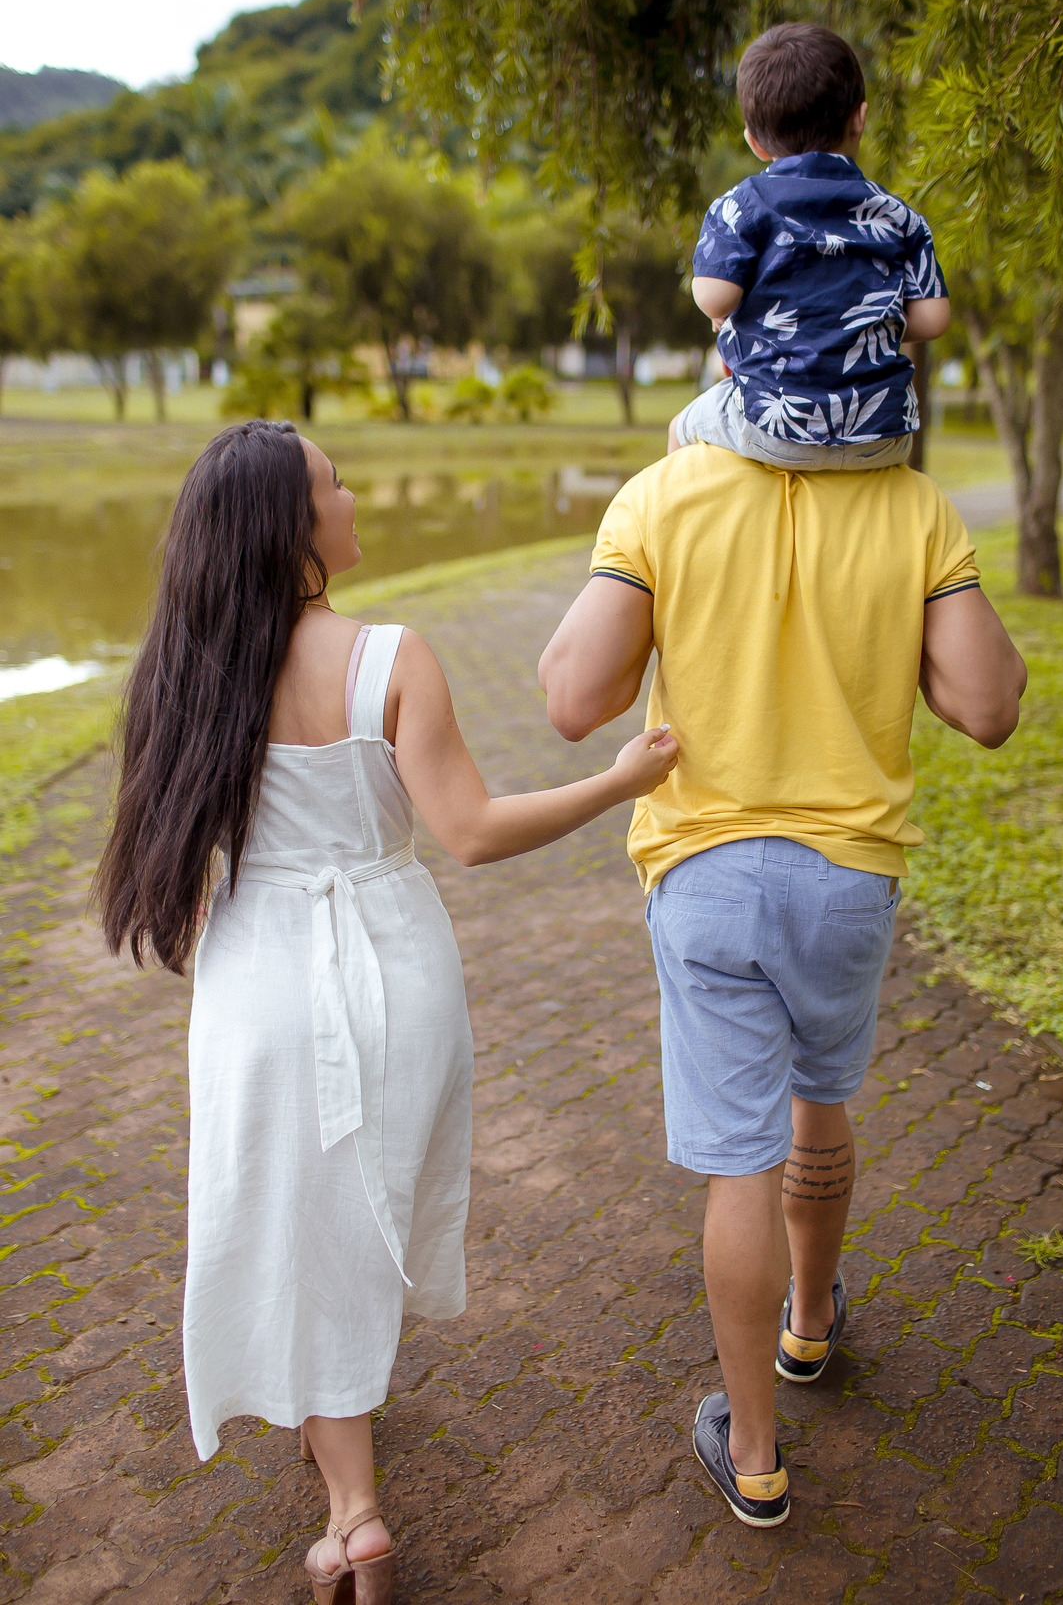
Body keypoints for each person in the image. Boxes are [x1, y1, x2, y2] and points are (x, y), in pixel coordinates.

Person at [93, 420, 677, 1603]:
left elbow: (179, 850)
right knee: (357, 1213)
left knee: (290, 1217)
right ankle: (351, 1489)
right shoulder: (391, 656)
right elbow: (472, 833)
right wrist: (618, 782)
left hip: (259, 977)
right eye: (335, 483)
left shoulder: (185, 667)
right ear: (293, 526)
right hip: (395, 965)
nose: (353, 496)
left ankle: (351, 1505)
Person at [538, 437, 1026, 1528]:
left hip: (704, 871)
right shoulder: (915, 506)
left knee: (738, 1162)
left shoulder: (662, 494)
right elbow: (989, 705)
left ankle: (755, 1456)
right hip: (847, 877)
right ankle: (810, 1323)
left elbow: (572, 698)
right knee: (819, 1096)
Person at [674, 21, 950, 470]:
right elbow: (934, 318)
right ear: (859, 119)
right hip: (882, 434)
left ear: (754, 142)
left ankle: (681, 512)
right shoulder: (898, 216)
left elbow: (714, 296)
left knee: (680, 427)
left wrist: (723, 310)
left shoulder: (742, 205)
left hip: (773, 427)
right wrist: (857, 322)